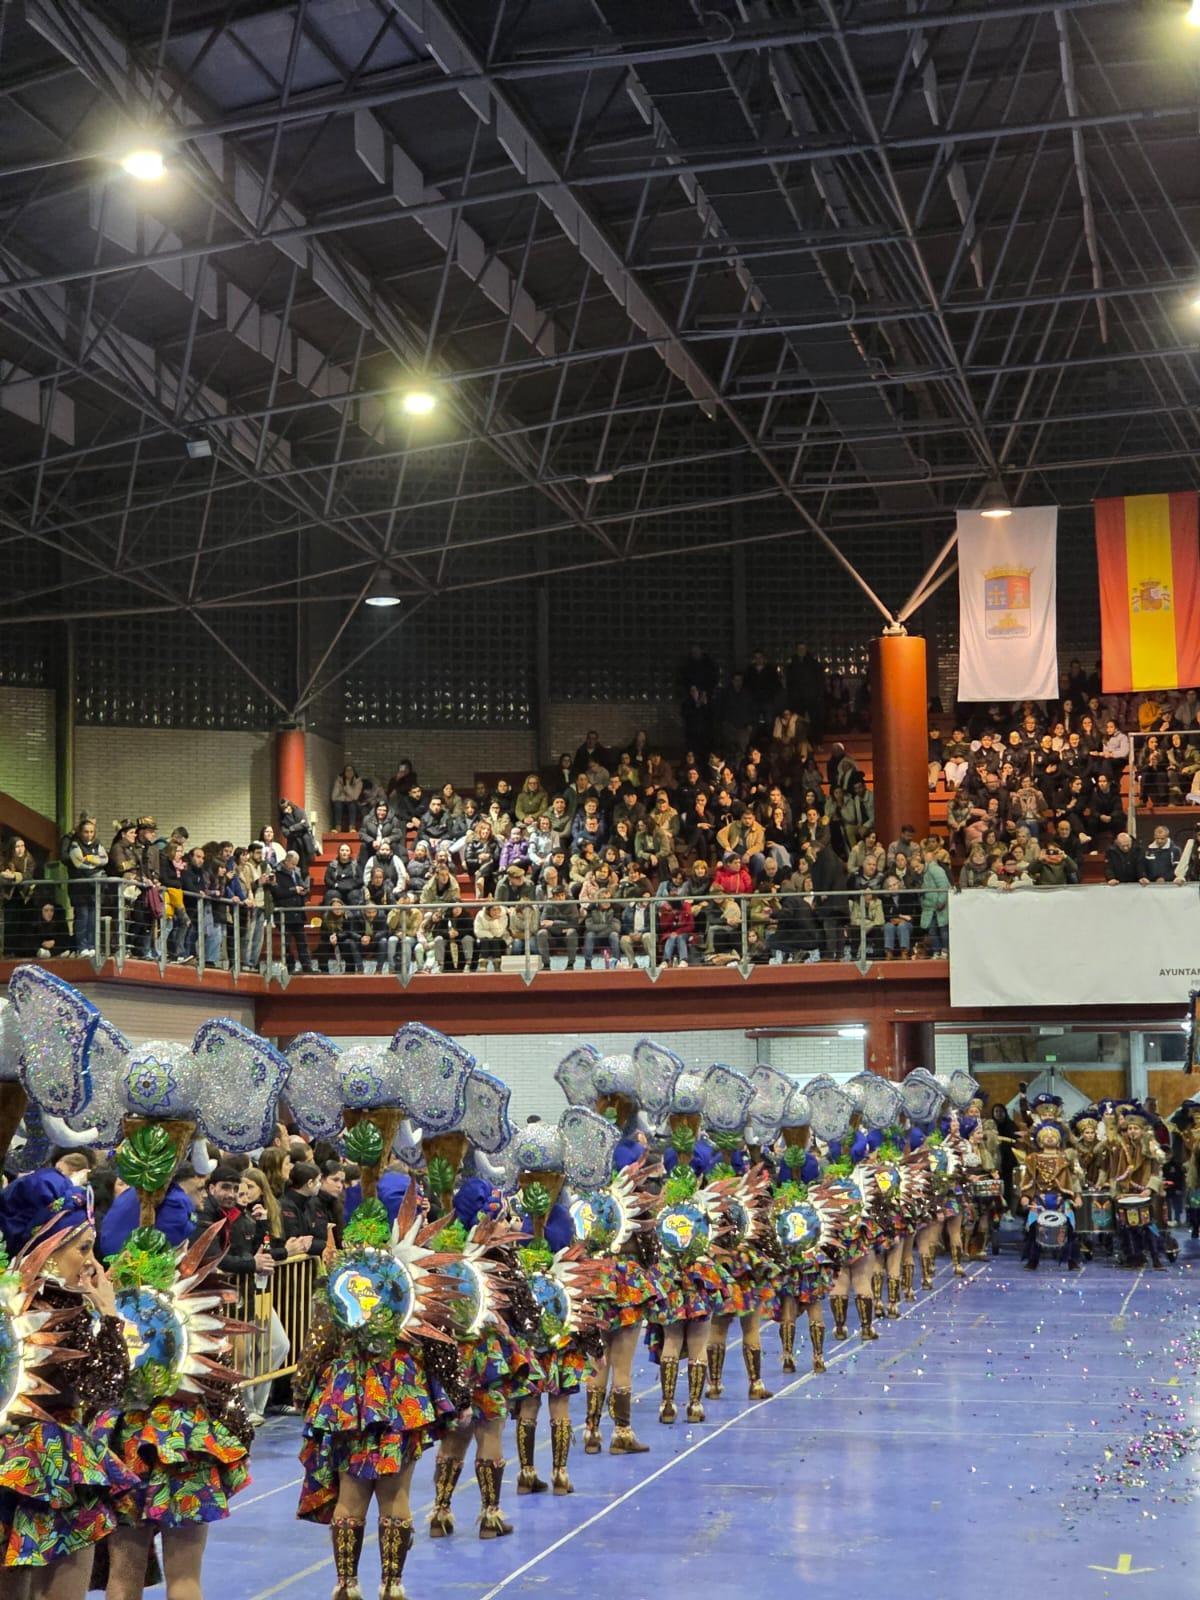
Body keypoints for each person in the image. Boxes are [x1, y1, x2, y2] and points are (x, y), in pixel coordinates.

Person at [64, 814, 107, 956]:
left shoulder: (97, 844)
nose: (89, 835)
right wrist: (95, 864)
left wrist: (94, 861)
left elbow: (105, 859)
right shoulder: (74, 844)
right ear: (80, 832)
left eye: (91, 832)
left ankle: (92, 945)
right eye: (86, 832)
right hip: (80, 888)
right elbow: (79, 863)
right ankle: (82, 947)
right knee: (82, 917)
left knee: (93, 918)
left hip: (94, 889)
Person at [331, 766, 363, 832]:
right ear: (344, 772)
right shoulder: (339, 781)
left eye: (351, 770)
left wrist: (347, 786)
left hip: (354, 804)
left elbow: (355, 797)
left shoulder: (358, 782)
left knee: (352, 804)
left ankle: (352, 828)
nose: (349, 772)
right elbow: (333, 797)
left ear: (354, 772)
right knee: (337, 804)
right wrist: (345, 797)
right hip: (342, 803)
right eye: (347, 770)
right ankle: (337, 828)